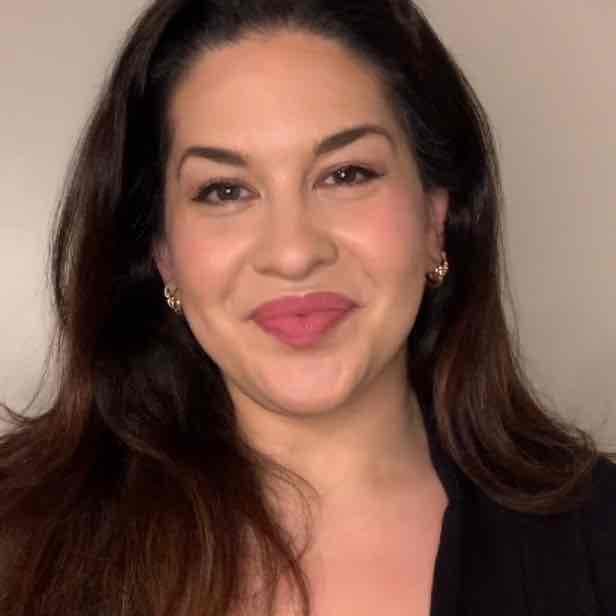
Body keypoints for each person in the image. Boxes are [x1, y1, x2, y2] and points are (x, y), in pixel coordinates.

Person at [0, 1, 614, 615]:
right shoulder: (18, 540)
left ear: (435, 220)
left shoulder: (600, 537)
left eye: (346, 175)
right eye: (225, 190)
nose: (293, 254)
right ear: (164, 254)